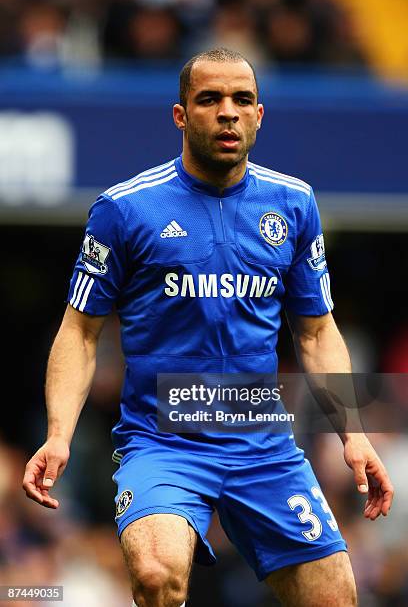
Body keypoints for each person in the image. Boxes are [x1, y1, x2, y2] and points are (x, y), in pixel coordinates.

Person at [23, 48, 394, 607]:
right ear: (180, 115)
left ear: (259, 115)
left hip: (262, 443)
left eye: (241, 100)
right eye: (209, 99)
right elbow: (80, 331)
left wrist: (354, 434)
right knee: (155, 572)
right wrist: (58, 434)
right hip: (161, 441)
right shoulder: (124, 208)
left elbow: (317, 333)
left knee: (335, 596)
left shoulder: (294, 204)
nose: (227, 112)